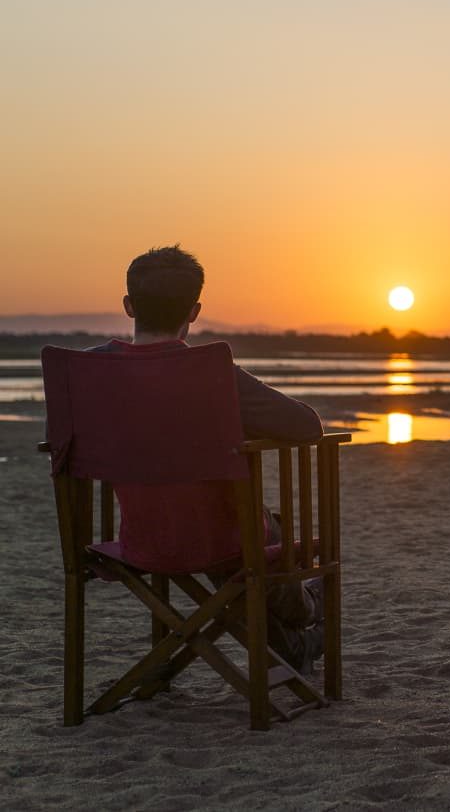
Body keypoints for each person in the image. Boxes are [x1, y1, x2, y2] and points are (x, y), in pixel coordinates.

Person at [89, 245, 326, 673]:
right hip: (221, 542)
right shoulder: (212, 373)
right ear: (195, 311)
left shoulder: (92, 374)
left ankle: (293, 644)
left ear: (128, 306)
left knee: (240, 531)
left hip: (139, 541)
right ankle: (307, 608)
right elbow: (307, 426)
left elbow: (61, 441)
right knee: (260, 531)